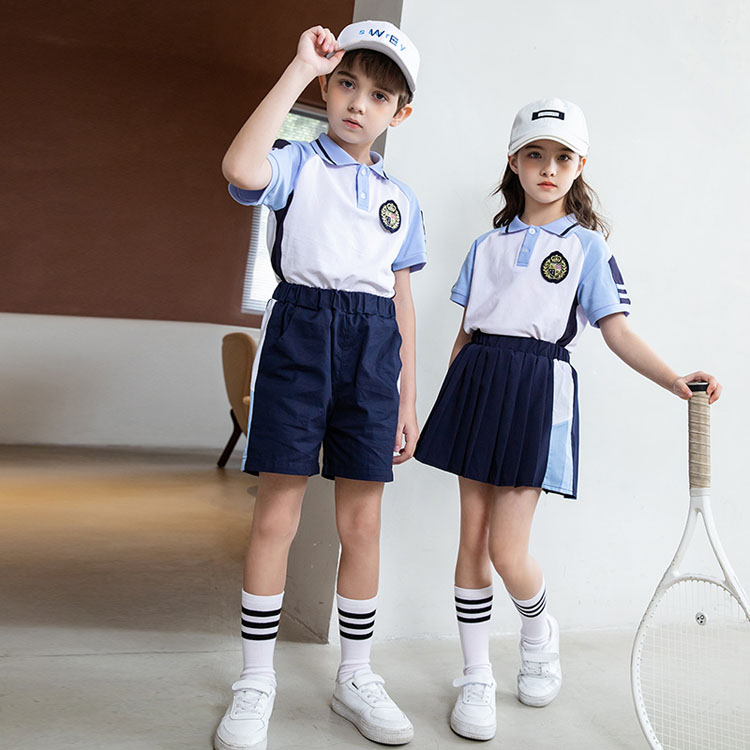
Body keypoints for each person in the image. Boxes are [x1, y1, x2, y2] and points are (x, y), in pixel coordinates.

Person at [414, 97, 721, 742]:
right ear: (514, 162)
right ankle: (476, 675)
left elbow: (616, 330)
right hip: (477, 382)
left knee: (507, 549)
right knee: (471, 539)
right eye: (535, 155)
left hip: (537, 387)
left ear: (580, 165)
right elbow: (465, 333)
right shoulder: (486, 245)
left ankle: (537, 632)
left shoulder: (587, 247)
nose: (548, 168)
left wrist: (674, 379)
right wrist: (447, 401)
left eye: (562, 157)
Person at [213, 20, 425, 750]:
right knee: (278, 515)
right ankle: (255, 681)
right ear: (327, 89)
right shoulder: (297, 163)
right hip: (301, 333)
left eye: (379, 95)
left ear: (400, 112)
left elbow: (402, 301)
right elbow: (240, 167)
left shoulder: (402, 199)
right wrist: (299, 70)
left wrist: (408, 398)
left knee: (361, 524)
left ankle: (356, 676)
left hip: (374, 348)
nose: (358, 104)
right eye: (346, 85)